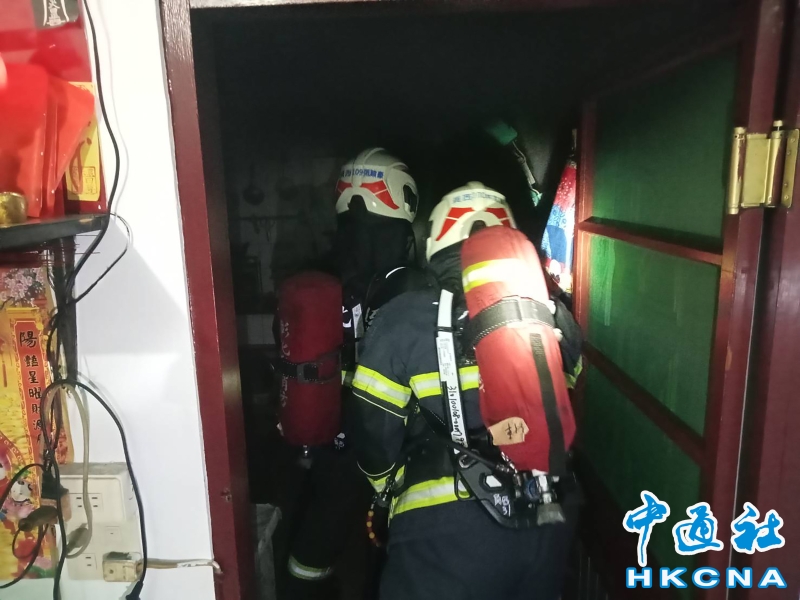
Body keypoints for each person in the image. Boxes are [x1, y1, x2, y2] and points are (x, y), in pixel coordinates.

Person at [348, 182, 583, 600]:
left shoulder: (402, 317)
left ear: (435, 244)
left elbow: (372, 429)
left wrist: (388, 489)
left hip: (443, 531)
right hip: (548, 519)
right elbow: (564, 392)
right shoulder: (552, 314)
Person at [284, 148, 426, 600]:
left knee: (319, 534)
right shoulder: (414, 287)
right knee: (394, 541)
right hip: (396, 437)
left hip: (336, 432)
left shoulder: (327, 276)